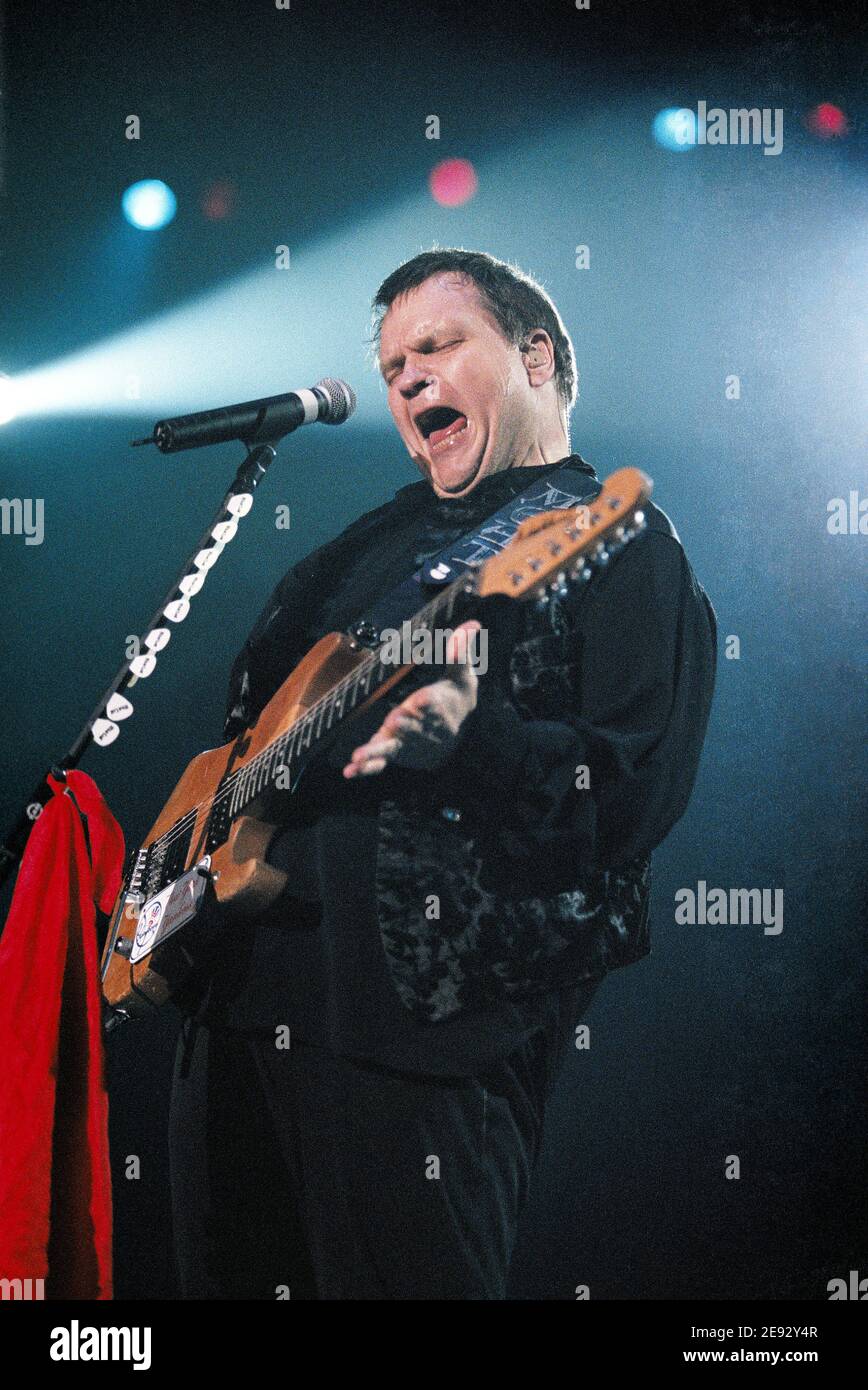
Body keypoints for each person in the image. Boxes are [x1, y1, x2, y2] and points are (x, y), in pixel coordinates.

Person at [167, 249, 717, 1299]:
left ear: (535, 356)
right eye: (389, 365)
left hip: (421, 1041)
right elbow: (236, 744)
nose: (407, 378)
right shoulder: (358, 544)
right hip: (231, 1016)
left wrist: (474, 739)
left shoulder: (616, 541)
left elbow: (634, 792)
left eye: (437, 345)